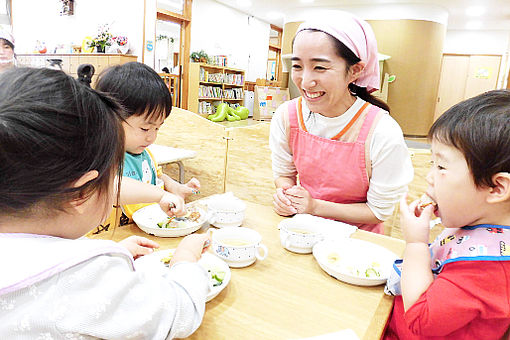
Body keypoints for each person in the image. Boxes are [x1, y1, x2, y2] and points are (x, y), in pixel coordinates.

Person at [0, 67, 211, 339]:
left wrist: (103, 251)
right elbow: (178, 312)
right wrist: (185, 260)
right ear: (81, 193)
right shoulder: (86, 277)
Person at [270, 12, 413, 234]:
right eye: (297, 66)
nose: (305, 82)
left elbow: (378, 211)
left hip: (358, 241)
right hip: (303, 230)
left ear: (355, 71)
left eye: (320, 67)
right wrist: (287, 196)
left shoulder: (382, 130)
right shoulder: (286, 115)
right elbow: (284, 174)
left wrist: (315, 206)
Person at [384, 90, 510, 339]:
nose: (429, 176)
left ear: (496, 188)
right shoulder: (478, 221)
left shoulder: (487, 269)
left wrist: (416, 244)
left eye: (441, 166)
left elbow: (420, 322)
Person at [95, 62, 200, 223]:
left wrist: (175, 187)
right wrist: (160, 195)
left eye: (157, 128)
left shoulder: (142, 151)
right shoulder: (101, 156)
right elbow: (110, 186)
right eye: (145, 129)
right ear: (110, 118)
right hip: (116, 237)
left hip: (147, 231)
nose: (151, 138)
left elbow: (156, 176)